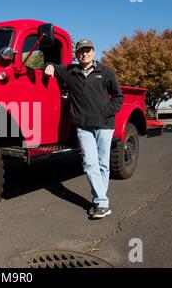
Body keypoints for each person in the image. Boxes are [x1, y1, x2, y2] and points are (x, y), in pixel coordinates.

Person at [44, 39, 123, 219]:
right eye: (80, 51)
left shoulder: (105, 72)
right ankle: (102, 203)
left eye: (87, 50)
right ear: (76, 54)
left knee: (103, 164)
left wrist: (107, 112)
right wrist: (49, 66)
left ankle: (99, 203)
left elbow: (118, 96)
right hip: (83, 127)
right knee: (89, 164)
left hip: (104, 125)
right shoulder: (71, 72)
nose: (84, 54)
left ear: (93, 52)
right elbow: (54, 66)